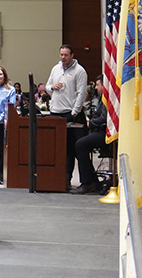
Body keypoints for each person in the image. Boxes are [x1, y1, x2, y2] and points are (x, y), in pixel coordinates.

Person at [45, 44, 88, 187]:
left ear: (72, 55)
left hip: (70, 114)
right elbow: (47, 86)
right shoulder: (55, 69)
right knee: (56, 149)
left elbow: (81, 94)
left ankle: (68, 179)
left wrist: (74, 113)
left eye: (66, 55)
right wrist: (52, 87)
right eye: (61, 55)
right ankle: (57, 179)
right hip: (54, 113)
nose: (63, 58)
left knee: (71, 150)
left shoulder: (79, 71)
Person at [72, 76, 108, 195]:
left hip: (104, 133)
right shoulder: (102, 98)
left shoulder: (108, 99)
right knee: (78, 143)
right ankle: (92, 181)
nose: (96, 87)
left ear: (104, 85)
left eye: (98, 85)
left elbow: (104, 118)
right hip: (97, 130)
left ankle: (88, 183)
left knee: (80, 144)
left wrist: (91, 123)